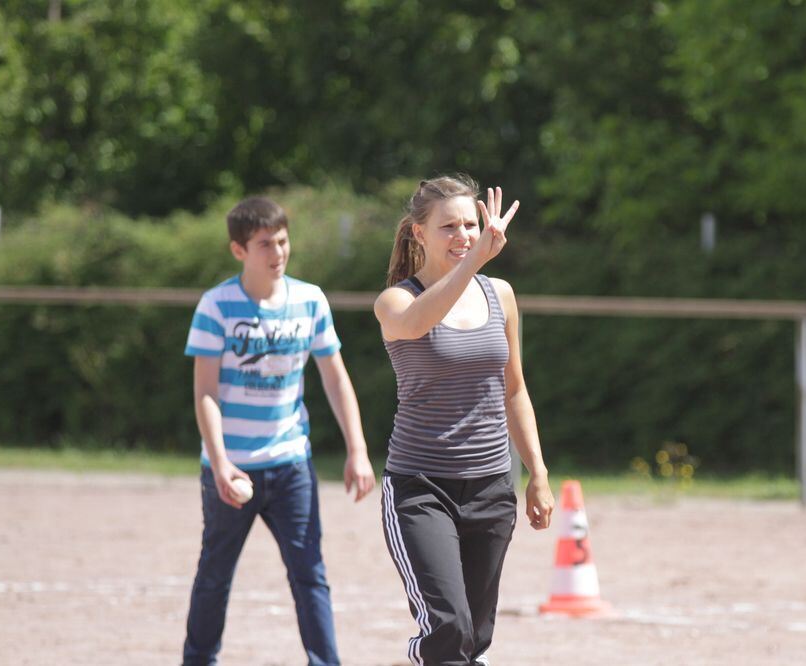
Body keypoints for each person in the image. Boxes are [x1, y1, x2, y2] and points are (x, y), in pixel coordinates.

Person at [182, 196, 375, 666]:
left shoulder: (310, 300)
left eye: (283, 241)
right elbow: (206, 391)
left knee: (310, 573)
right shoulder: (217, 305)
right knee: (215, 575)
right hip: (232, 470)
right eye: (265, 243)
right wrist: (221, 462)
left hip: (292, 465)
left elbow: (334, 377)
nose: (278, 252)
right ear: (238, 250)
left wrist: (358, 449)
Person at [373, 176, 555, 666]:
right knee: (447, 627)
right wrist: (473, 262)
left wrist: (536, 473)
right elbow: (415, 325)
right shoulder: (397, 301)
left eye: (471, 225)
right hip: (420, 487)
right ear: (418, 233)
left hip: (492, 486)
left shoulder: (501, 295)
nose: (464, 236)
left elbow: (514, 389)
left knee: (475, 637)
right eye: (449, 226)